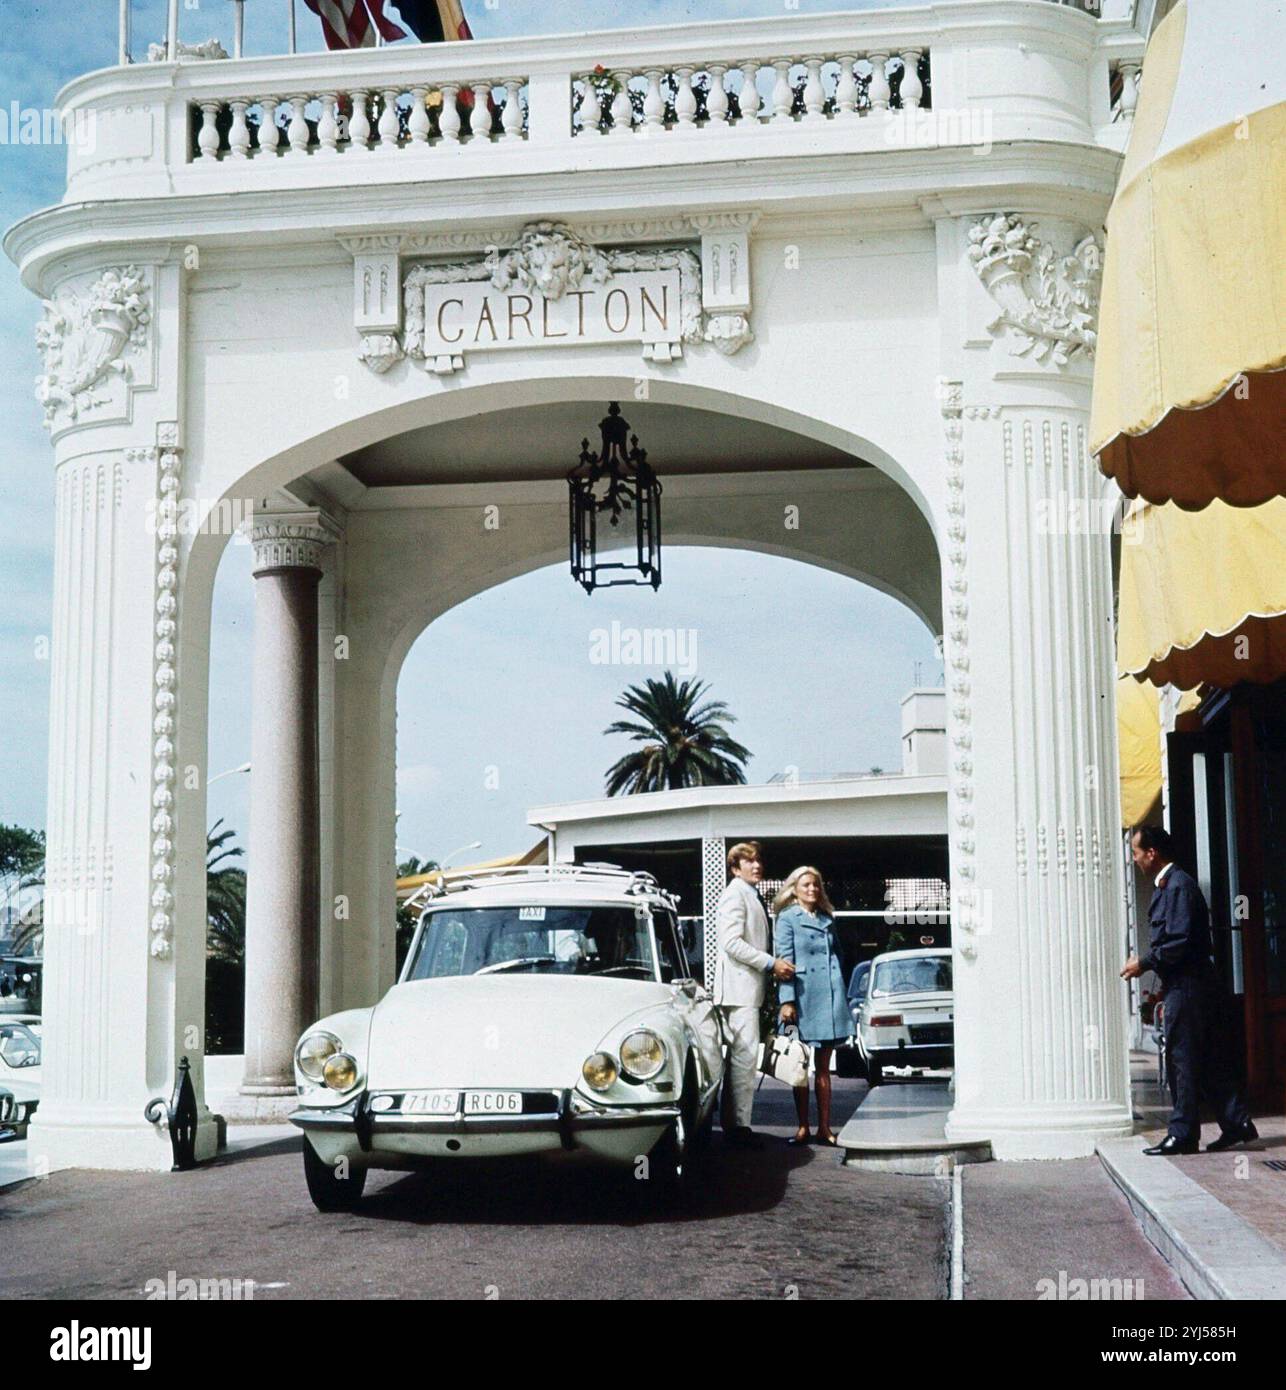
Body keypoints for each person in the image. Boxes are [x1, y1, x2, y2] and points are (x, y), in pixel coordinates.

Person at [1121, 825, 1257, 1156]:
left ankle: (1182, 1134)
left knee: (1182, 1059)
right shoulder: (1169, 887)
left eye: (1137, 854)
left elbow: (1179, 942)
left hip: (1189, 987)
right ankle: (1236, 1122)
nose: (1135, 860)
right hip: (1192, 986)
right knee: (1207, 1058)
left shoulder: (1177, 887)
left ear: (1152, 853)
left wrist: (1145, 962)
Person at [713, 841, 794, 1150]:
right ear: (736, 868)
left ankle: (735, 1124)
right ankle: (739, 1129)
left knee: (741, 1061)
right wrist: (770, 963)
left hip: (746, 990)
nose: (756, 865)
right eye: (749, 861)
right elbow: (731, 942)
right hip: (739, 991)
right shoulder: (735, 895)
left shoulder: (748, 894)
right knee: (744, 1060)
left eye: (758, 860)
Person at [774, 867, 852, 1146]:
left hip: (828, 999)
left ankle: (825, 1128)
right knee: (798, 1063)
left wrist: (838, 986)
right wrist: (787, 1000)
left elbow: (839, 955)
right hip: (800, 1000)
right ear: (794, 888)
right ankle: (803, 1127)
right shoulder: (787, 919)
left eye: (816, 885)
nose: (812, 890)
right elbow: (784, 961)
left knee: (823, 1066)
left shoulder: (827, 918)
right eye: (806, 885)